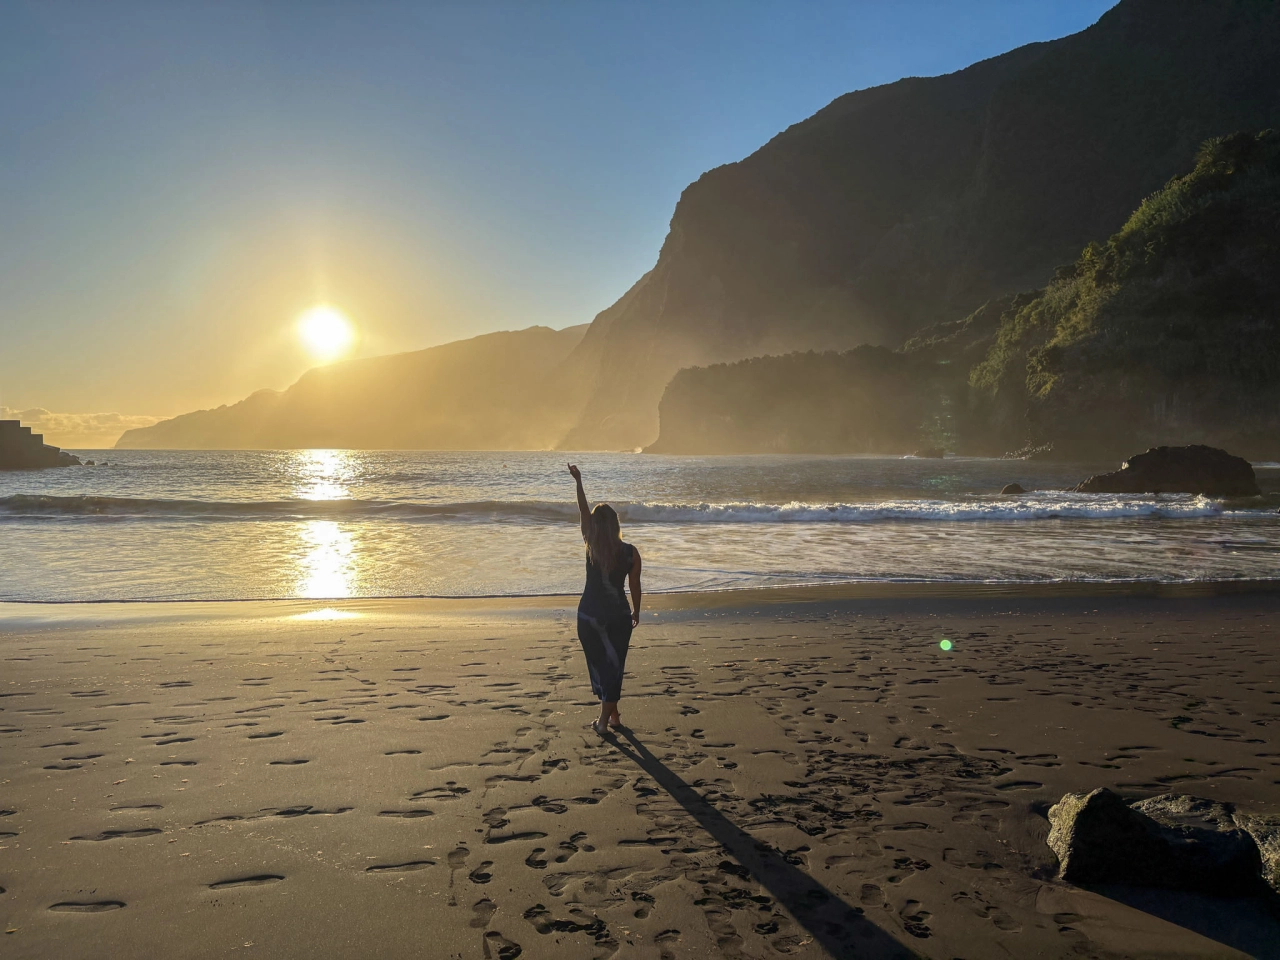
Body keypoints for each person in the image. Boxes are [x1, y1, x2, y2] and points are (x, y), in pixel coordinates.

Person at [568, 463, 642, 736]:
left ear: (596, 526)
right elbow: (635, 585)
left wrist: (579, 481)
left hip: (588, 616)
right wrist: (637, 611)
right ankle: (606, 720)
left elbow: (583, 511)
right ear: (616, 525)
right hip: (618, 616)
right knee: (614, 666)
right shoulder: (631, 553)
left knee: (602, 666)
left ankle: (609, 719)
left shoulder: (590, 544)